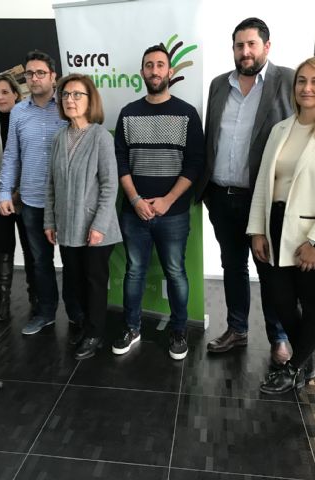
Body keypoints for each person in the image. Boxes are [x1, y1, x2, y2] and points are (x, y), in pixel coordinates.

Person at [247, 57, 315, 394]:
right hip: (275, 225)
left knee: (311, 304)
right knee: (279, 300)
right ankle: (303, 361)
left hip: (311, 232)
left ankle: (293, 368)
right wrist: (257, 230)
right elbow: (265, 183)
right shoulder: (282, 127)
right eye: (301, 81)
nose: (307, 88)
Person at [196, 18, 294, 363]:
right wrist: (207, 190)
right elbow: (212, 137)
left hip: (263, 197)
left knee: (269, 269)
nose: (245, 51)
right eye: (239, 45)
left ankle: (279, 336)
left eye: (252, 44)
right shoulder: (219, 85)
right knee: (233, 266)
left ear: (267, 46)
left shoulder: (289, 80)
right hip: (222, 195)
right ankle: (237, 329)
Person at [112, 45, 204, 360]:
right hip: (134, 211)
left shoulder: (187, 113)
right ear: (142, 73)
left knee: (175, 271)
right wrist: (135, 199)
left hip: (174, 212)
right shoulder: (128, 113)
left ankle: (179, 330)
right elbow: (120, 161)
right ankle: (132, 327)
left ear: (170, 72)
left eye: (160, 65)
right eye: (149, 65)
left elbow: (195, 164)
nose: (154, 70)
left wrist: (167, 200)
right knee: (134, 270)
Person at [0, 50, 82, 335]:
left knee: (72, 262)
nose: (34, 78)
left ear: (53, 76)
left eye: (40, 73)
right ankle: (45, 313)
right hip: (32, 202)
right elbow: (11, 156)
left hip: (68, 200)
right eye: (29, 74)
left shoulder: (68, 106)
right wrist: (4, 193)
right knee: (39, 262)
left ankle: (76, 314)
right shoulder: (19, 112)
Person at [44, 73, 121, 360]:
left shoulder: (100, 136)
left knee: (94, 282)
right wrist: (49, 222)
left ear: (90, 101)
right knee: (74, 281)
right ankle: (86, 324)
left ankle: (95, 333)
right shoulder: (58, 138)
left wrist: (99, 225)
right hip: (66, 226)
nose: (70, 100)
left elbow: (110, 184)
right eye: (65, 94)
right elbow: (49, 184)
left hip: (95, 227)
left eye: (77, 94)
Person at [0, 74, 35, 323]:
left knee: (31, 249)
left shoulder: (28, 120)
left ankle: (36, 298)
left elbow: (34, 160)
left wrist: (17, 194)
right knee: (3, 248)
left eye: (5, 92)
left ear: (16, 94)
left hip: (26, 199)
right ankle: (3, 302)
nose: (0, 97)